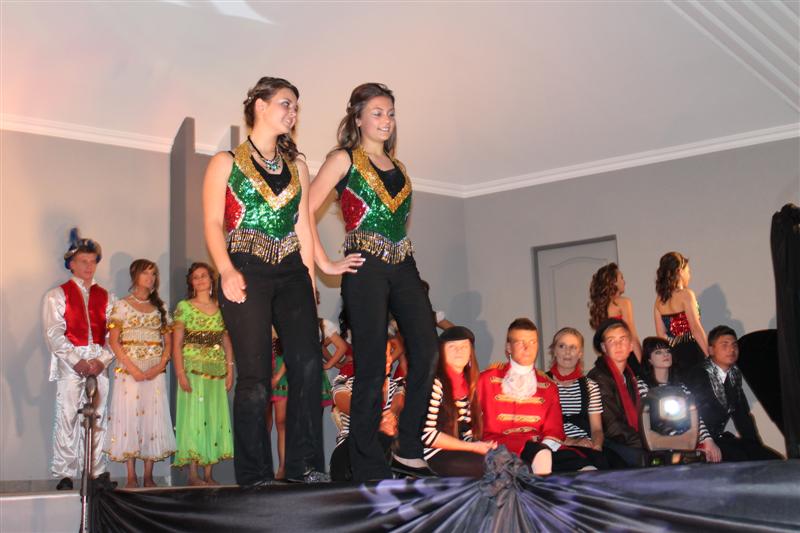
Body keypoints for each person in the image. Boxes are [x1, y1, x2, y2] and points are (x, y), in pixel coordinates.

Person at [308, 82, 439, 480]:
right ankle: (364, 462)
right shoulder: (343, 159)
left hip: (403, 264)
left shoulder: (400, 167)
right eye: (377, 113)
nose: (386, 120)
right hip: (364, 267)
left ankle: (409, 449)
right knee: (369, 366)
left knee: (427, 347)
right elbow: (304, 209)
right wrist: (324, 262)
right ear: (358, 118)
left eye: (391, 113)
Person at [203, 77, 325, 484]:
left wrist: (310, 282)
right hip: (245, 267)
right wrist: (225, 270)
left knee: (307, 365)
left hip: (291, 269)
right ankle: (254, 474)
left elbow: (303, 228)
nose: (292, 113)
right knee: (254, 375)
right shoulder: (226, 162)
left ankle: (303, 465)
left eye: (296, 107)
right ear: (259, 105)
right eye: (285, 104)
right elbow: (212, 222)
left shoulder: (298, 167)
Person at [43, 229, 114, 490]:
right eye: (83, 261)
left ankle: (95, 471)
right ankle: (65, 472)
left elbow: (114, 334)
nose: (88, 266)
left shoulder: (107, 297)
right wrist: (76, 360)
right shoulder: (57, 295)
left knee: (97, 415)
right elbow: (54, 333)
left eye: (92, 261)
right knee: (68, 415)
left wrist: (102, 360)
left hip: (98, 362)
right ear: (71, 264)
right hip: (71, 363)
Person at [479, 318, 594, 475]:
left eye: (532, 342)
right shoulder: (486, 380)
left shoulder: (548, 386)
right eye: (520, 342)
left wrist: (547, 446)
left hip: (539, 446)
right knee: (541, 454)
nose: (527, 348)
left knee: (585, 465)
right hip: (499, 446)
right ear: (509, 347)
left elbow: (554, 429)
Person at [104, 259, 176, 488]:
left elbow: (168, 342)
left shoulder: (160, 307)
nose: (150, 278)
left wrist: (160, 365)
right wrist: (132, 368)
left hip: (154, 371)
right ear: (135, 275)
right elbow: (114, 342)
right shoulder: (121, 305)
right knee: (129, 417)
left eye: (153, 274)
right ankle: (131, 475)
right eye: (146, 273)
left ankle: (148, 475)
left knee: (152, 418)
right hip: (128, 371)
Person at [172, 263, 234, 485]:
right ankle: (193, 474)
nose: (200, 280)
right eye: (196, 277)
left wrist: (230, 369)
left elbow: (226, 340)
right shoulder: (184, 307)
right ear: (191, 282)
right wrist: (180, 372)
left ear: (211, 280)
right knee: (194, 418)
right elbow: (176, 343)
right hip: (193, 369)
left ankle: (208, 474)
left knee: (213, 417)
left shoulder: (221, 308)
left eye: (204, 276)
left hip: (216, 370)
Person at [684, 326, 782, 462]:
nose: (731, 350)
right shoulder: (699, 374)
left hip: (717, 439)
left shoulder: (734, 375)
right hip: (697, 441)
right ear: (711, 350)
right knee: (739, 458)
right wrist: (707, 441)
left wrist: (756, 447)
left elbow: (742, 417)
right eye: (725, 345)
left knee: (771, 459)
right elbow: (691, 411)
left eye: (734, 345)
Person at [422, 326, 495, 477]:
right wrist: (472, 447)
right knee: (493, 466)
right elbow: (428, 436)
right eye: (452, 346)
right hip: (434, 453)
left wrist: (480, 445)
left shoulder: (468, 385)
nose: (459, 351)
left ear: (471, 353)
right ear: (441, 352)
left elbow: (465, 432)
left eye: (464, 346)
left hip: (458, 451)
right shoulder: (435, 383)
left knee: (505, 460)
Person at [329, 339, 406, 481]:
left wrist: (391, 416)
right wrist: (378, 422)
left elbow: (398, 404)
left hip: (389, 451)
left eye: (389, 353)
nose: (387, 359)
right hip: (350, 449)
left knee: (389, 440)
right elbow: (350, 406)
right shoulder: (344, 383)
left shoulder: (400, 385)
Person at [640, 336, 721, 463]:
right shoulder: (642, 385)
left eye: (667, 351)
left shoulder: (681, 387)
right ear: (649, 360)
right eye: (658, 352)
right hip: (657, 442)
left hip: (684, 438)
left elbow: (695, 415)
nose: (665, 355)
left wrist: (708, 440)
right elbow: (647, 419)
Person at [545, 327, 610, 469]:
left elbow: (597, 429)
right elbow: (540, 427)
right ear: (554, 351)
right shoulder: (542, 383)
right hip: (553, 447)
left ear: (580, 353)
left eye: (573, 347)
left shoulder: (590, 386)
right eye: (562, 346)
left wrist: (596, 447)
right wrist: (572, 442)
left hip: (585, 447)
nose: (567, 352)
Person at [654, 252, 708, 379]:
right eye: (688, 271)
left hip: (674, 355)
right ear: (679, 271)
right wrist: (710, 357)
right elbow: (695, 329)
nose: (690, 275)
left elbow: (661, 335)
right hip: (692, 351)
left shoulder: (659, 301)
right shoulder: (686, 295)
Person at [589, 263, 642, 362]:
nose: (624, 281)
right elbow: (631, 334)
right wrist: (641, 361)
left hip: (607, 356)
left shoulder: (599, 307)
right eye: (621, 278)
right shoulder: (623, 302)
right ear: (613, 282)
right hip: (625, 355)